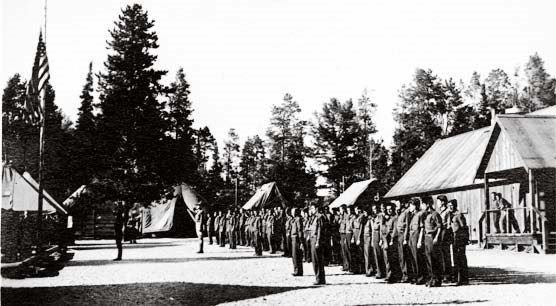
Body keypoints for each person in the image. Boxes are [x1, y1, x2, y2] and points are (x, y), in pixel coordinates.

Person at [423, 196, 443, 287]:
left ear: (428, 204)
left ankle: (436, 279)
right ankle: (431, 278)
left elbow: (439, 227)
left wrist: (436, 238)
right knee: (428, 259)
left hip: (432, 237)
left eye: (423, 204)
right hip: (426, 237)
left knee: (434, 259)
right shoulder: (425, 215)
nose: (422, 206)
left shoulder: (435, 214)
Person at [449, 199, 469, 285]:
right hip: (454, 238)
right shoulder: (451, 215)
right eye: (448, 205)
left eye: (451, 205)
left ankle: (462, 279)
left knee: (460, 259)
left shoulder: (458, 215)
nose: (450, 207)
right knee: (455, 259)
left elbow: (464, 227)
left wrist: (464, 239)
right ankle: (457, 278)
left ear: (455, 206)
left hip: (459, 239)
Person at [408, 198, 427, 284]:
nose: (410, 207)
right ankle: (415, 277)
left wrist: (419, 241)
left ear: (415, 206)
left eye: (411, 205)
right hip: (411, 238)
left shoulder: (420, 214)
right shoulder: (412, 215)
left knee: (418, 258)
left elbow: (422, 228)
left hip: (417, 237)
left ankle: (421, 277)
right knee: (413, 258)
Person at [382, 202, 400, 283]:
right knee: (387, 258)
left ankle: (393, 276)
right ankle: (388, 274)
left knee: (392, 259)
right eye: (388, 209)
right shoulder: (386, 218)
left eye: (390, 209)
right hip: (386, 239)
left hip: (392, 240)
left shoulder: (395, 218)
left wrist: (392, 240)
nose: (389, 211)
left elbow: (395, 230)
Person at [396, 201, 413, 283]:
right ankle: (403, 274)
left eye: (399, 203)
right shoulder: (399, 212)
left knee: (404, 256)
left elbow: (407, 226)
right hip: (399, 235)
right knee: (401, 257)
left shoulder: (406, 213)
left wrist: (405, 238)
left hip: (403, 235)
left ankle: (406, 276)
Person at [309, 204, 326, 285]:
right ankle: (319, 278)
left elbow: (320, 230)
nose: (311, 210)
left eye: (312, 208)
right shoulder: (313, 217)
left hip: (316, 240)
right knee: (314, 260)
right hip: (312, 239)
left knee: (317, 260)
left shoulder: (320, 217)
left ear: (316, 208)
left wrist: (318, 241)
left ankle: (319, 278)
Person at [437, 195, 453, 282]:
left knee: (446, 255)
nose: (437, 203)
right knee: (441, 255)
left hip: (445, 234)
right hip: (440, 234)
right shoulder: (439, 211)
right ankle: (443, 274)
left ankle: (448, 275)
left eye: (438, 202)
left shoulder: (447, 212)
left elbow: (448, 224)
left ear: (443, 202)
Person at [371, 204, 386, 279]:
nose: (375, 210)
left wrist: (380, 239)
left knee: (380, 255)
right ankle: (378, 271)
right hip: (374, 236)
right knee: (376, 255)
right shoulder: (374, 217)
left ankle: (381, 272)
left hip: (378, 236)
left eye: (376, 208)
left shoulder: (380, 216)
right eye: (373, 209)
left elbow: (380, 229)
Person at [352, 206, 366, 274]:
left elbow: (361, 228)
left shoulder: (361, 217)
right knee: (356, 253)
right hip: (355, 234)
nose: (356, 211)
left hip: (359, 235)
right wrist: (352, 237)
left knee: (361, 252)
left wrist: (359, 238)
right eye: (355, 210)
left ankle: (362, 269)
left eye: (357, 210)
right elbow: (353, 228)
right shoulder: (355, 217)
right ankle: (357, 268)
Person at [362, 206, 376, 277]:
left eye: (365, 212)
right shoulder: (364, 219)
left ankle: (369, 270)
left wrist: (372, 241)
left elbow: (373, 230)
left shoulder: (370, 220)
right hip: (365, 237)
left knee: (368, 255)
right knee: (366, 254)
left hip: (369, 237)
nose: (364, 213)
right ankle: (368, 269)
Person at [290, 208, 304, 276]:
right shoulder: (293, 219)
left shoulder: (298, 219)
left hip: (296, 238)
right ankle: (296, 270)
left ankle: (298, 271)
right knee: (294, 255)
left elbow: (300, 230)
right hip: (293, 238)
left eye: (293, 212)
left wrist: (301, 241)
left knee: (296, 255)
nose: (292, 213)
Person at [339, 205, 349, 271]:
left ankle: (347, 265)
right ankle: (344, 265)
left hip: (345, 234)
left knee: (346, 250)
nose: (340, 211)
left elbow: (347, 226)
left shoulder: (346, 216)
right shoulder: (341, 216)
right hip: (341, 234)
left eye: (340, 209)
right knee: (342, 251)